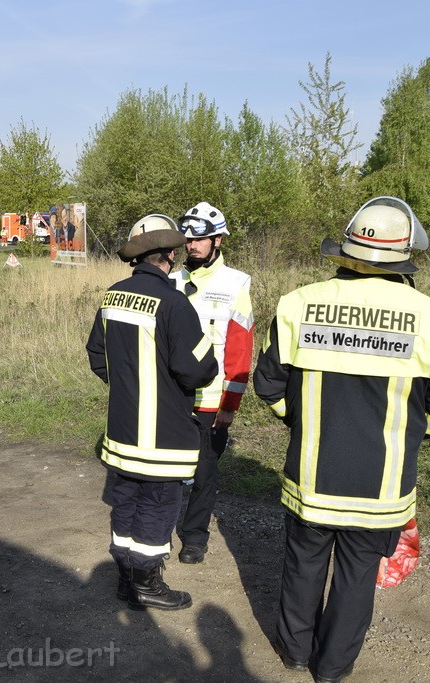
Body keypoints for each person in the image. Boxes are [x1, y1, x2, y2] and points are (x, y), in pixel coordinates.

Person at [253, 196, 430, 683]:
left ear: (346, 249)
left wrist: (303, 423)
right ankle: (332, 669)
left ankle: (293, 654)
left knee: (303, 566)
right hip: (382, 486)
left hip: (311, 477)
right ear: (405, 255)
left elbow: (267, 385)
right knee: (356, 580)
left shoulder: (298, 303)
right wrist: (410, 437)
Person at [86, 214, 218, 611]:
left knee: (125, 501)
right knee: (158, 507)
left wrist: (130, 385)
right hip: (163, 437)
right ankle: (147, 584)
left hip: (122, 431)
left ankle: (127, 581)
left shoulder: (112, 295)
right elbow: (198, 369)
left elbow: (97, 355)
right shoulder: (175, 303)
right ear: (171, 255)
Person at [169, 202, 254, 565]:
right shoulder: (169, 281)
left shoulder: (236, 283)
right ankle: (158, 531)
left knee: (204, 473)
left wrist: (229, 407)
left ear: (217, 240)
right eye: (188, 238)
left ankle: (194, 538)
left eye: (201, 239)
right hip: (172, 397)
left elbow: (240, 350)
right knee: (167, 470)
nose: (193, 245)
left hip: (210, 400)